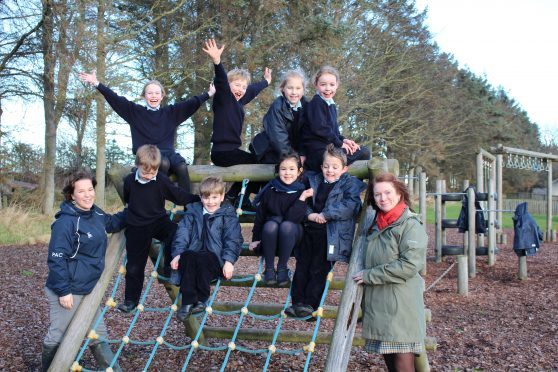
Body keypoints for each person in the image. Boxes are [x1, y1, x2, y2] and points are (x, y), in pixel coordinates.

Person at [78, 70, 215, 193]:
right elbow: (115, 99)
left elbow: (191, 103)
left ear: (162, 96)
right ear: (144, 96)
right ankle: (155, 201)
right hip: (147, 154)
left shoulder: (171, 113)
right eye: (150, 93)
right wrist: (96, 83)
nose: (153, 96)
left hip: (168, 152)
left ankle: (189, 208)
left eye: (157, 93)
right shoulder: (135, 112)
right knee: (164, 163)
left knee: (181, 168)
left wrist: (208, 94)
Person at [42, 171, 126, 372]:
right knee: (58, 334)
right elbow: (56, 258)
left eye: (90, 189)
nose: (88, 194)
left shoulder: (95, 213)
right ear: (72, 195)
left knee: (98, 333)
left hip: (89, 287)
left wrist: (137, 208)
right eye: (81, 191)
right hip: (68, 288)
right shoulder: (66, 222)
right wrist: (63, 291)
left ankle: (111, 369)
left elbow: (112, 223)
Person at [352, 173, 428, 372]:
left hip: (401, 306)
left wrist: (370, 275)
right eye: (377, 195)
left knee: (403, 366)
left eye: (388, 193)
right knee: (391, 366)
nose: (383, 198)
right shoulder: (374, 224)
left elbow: (410, 265)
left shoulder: (410, 225)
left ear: (400, 193)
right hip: (379, 305)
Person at [286, 144, 366, 318]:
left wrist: (325, 214)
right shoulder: (312, 180)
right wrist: (310, 215)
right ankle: (297, 302)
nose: (330, 170)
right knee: (302, 266)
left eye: (335, 167)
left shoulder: (349, 184)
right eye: (327, 166)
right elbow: (301, 202)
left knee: (319, 269)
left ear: (344, 169)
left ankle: (310, 306)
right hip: (309, 230)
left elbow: (351, 206)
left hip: (331, 235)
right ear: (321, 166)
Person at [119, 144, 199, 313]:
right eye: (146, 172)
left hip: (158, 220)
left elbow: (178, 196)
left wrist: (198, 199)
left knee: (176, 232)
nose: (150, 175)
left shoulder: (161, 180)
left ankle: (170, 267)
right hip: (136, 226)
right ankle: (131, 300)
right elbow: (127, 198)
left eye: (153, 172)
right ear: (138, 166)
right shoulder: (129, 181)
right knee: (134, 266)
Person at [202, 38, 271, 205]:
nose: (240, 89)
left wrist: (266, 82)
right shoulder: (224, 97)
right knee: (256, 166)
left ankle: (239, 196)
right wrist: (217, 62)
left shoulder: (238, 101)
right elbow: (221, 80)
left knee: (259, 165)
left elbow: (252, 90)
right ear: (228, 85)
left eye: (243, 87)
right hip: (222, 152)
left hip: (231, 151)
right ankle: (236, 196)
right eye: (237, 85)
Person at [170, 176, 243, 321]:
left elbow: (233, 239)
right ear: (200, 197)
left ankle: (201, 300)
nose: (210, 202)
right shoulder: (192, 212)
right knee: (187, 256)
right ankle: (187, 301)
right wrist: (177, 254)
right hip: (193, 254)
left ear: (222, 197)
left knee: (204, 259)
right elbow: (182, 233)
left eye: (215, 197)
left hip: (214, 257)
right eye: (206, 198)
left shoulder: (227, 214)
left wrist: (229, 261)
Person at [249, 152, 313, 285]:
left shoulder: (303, 191)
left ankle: (282, 267)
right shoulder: (270, 190)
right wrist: (255, 239)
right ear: (278, 170)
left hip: (293, 233)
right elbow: (260, 217)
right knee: (270, 224)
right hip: (271, 235)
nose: (287, 173)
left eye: (291, 169)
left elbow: (292, 218)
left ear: (299, 171)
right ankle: (270, 268)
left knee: (286, 225)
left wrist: (302, 198)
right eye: (283, 169)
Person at [300, 65, 370, 172]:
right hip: (319, 154)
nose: (328, 88)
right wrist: (340, 144)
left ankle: (347, 181)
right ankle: (344, 182)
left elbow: (334, 132)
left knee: (360, 149)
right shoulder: (316, 103)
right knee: (364, 152)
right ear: (316, 85)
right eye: (323, 85)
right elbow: (321, 129)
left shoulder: (330, 105)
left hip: (329, 149)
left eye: (332, 85)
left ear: (337, 85)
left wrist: (345, 140)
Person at [250, 69, 308, 164]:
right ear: (282, 89)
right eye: (290, 88)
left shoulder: (307, 106)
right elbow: (278, 138)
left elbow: (306, 134)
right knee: (284, 168)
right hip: (270, 150)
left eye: (298, 88)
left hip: (291, 151)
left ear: (303, 90)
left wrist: (302, 154)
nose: (294, 92)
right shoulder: (277, 106)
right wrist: (294, 159)